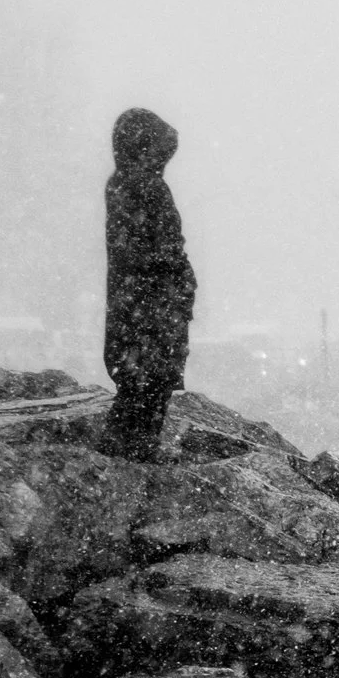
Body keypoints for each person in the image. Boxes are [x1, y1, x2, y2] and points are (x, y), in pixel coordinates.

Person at [99, 108, 197, 460]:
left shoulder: (126, 184)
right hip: (150, 309)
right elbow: (153, 249)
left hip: (143, 308)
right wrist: (175, 271)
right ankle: (136, 450)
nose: (161, 162)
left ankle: (129, 448)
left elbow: (147, 247)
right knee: (148, 385)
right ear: (142, 147)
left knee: (143, 383)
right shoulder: (143, 187)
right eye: (157, 153)